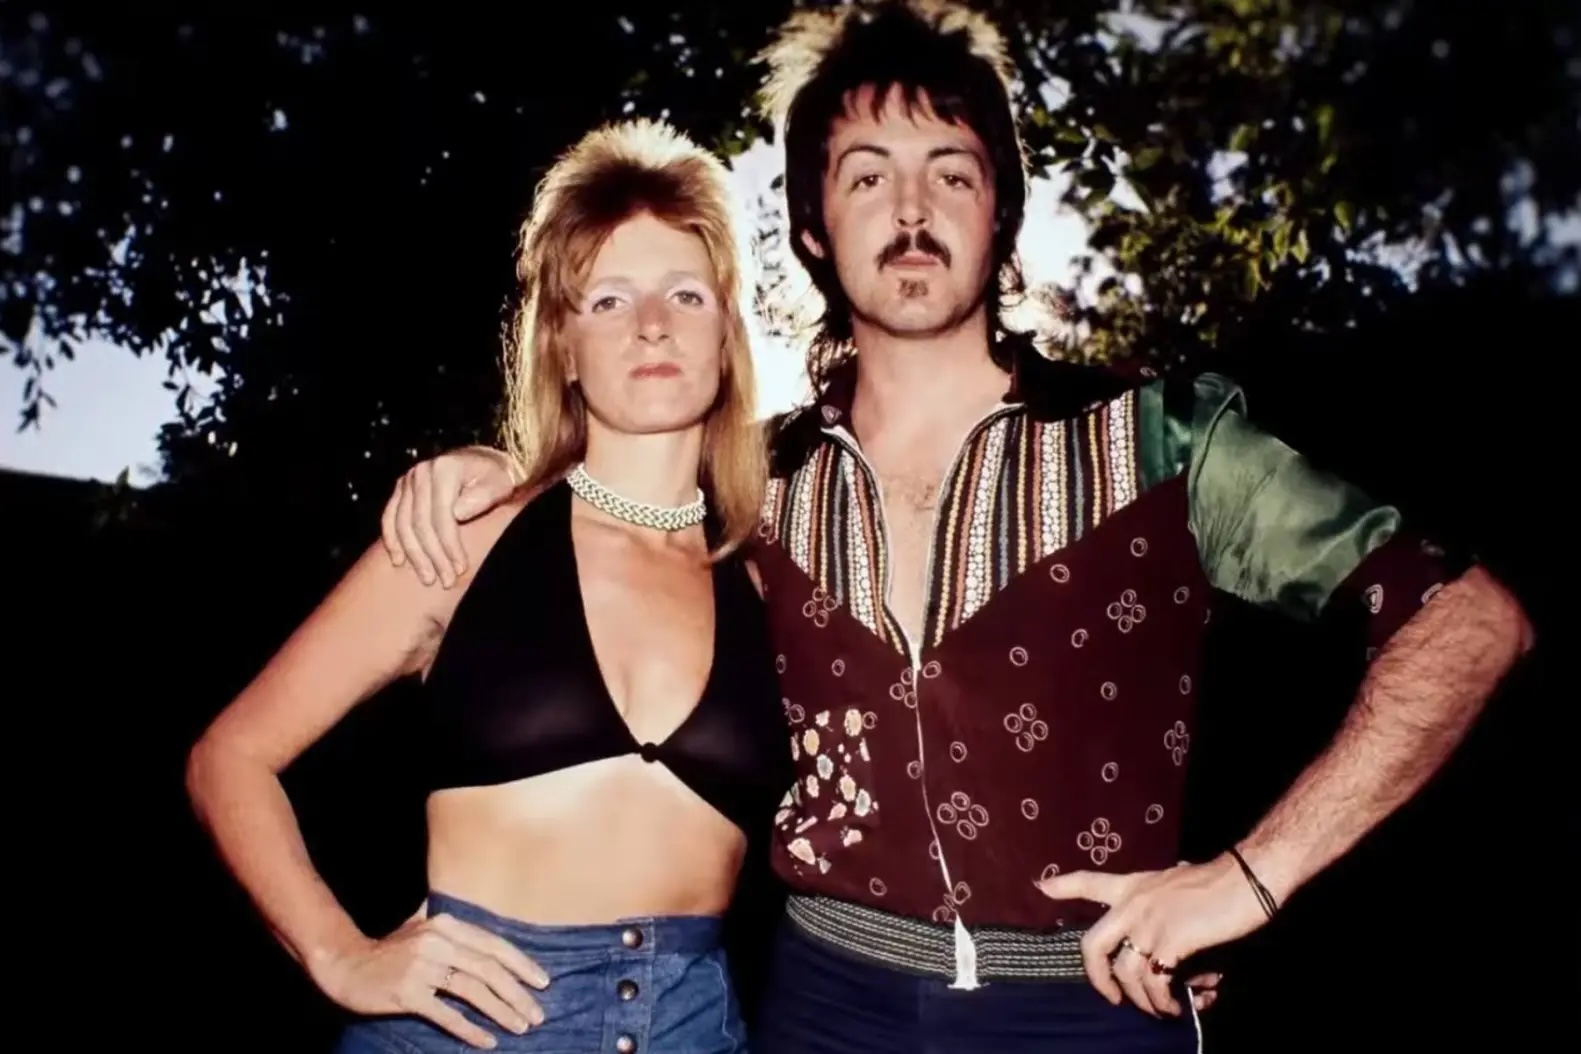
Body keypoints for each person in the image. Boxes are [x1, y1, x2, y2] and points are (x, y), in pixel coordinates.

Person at [374, 2, 1536, 1051]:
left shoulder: (1164, 445)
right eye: (866, 176)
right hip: (818, 1008)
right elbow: (606, 501)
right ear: (815, 226)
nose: (912, 209)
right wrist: (492, 471)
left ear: (1001, 211)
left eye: (952, 172)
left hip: (1093, 1009)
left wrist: (1247, 878)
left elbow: (1470, 622)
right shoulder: (753, 487)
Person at [186, 117, 793, 1054]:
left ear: (726, 334)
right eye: (608, 300)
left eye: (686, 293)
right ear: (563, 344)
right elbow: (231, 757)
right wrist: (338, 953)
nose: (652, 324)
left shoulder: (764, 581)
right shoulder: (469, 532)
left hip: (693, 1028)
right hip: (465, 1031)